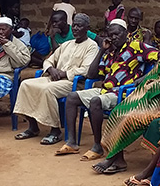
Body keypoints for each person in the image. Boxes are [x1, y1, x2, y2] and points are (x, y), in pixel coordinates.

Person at [57, 19, 160, 168]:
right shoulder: (109, 52)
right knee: (72, 97)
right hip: (106, 90)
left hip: (123, 92)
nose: (113, 38)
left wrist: (145, 78)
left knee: (95, 101)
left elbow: (158, 58)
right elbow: (92, 75)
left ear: (125, 33)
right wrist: (102, 50)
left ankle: (97, 146)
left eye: (117, 34)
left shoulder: (136, 46)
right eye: (111, 35)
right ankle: (72, 142)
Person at [14, 13, 99, 145]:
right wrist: (51, 69)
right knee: (25, 84)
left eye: (79, 26)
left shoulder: (91, 46)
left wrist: (64, 73)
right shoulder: (67, 44)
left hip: (73, 82)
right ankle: (33, 126)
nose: (75, 28)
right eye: (74, 25)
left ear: (87, 28)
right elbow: (49, 60)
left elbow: (86, 70)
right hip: (54, 77)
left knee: (48, 90)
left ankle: (55, 130)